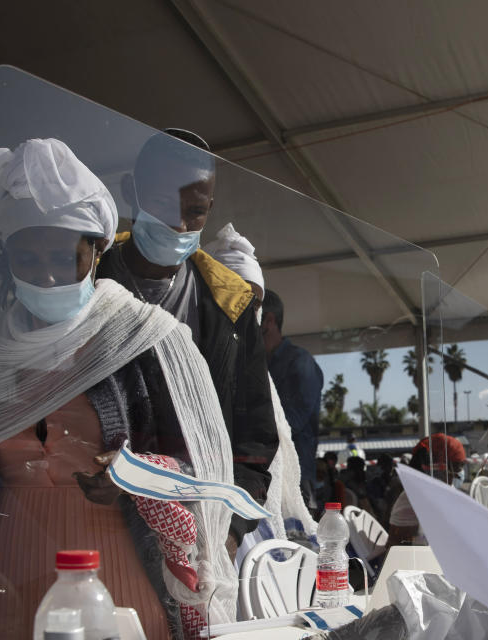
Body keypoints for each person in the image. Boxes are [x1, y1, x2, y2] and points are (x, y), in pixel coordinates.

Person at [0, 139, 239, 638]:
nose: (47, 276)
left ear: (97, 251)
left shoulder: (144, 336)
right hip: (12, 560)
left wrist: (135, 475)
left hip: (114, 563)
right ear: (5, 258)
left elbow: (204, 463)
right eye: (28, 259)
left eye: (64, 257)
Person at [97, 129, 279, 549]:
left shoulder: (230, 307)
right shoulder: (86, 282)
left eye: (195, 212)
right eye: (162, 204)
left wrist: (229, 532)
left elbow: (254, 441)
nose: (178, 225)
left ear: (211, 208)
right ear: (131, 193)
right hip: (97, 528)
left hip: (201, 533)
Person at [203, 224, 318, 546]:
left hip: (257, 496)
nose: (243, 315)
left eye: (251, 305)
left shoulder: (296, 364)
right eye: (234, 300)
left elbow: (277, 430)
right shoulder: (198, 360)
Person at [261, 289, 324, 498]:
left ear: (269, 320)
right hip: (265, 476)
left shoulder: (300, 363)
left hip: (294, 482)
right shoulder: (258, 363)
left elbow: (290, 423)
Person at [387, 434, 465, 548]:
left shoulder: (442, 491)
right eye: (457, 467)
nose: (459, 474)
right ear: (441, 467)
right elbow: (402, 544)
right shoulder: (416, 497)